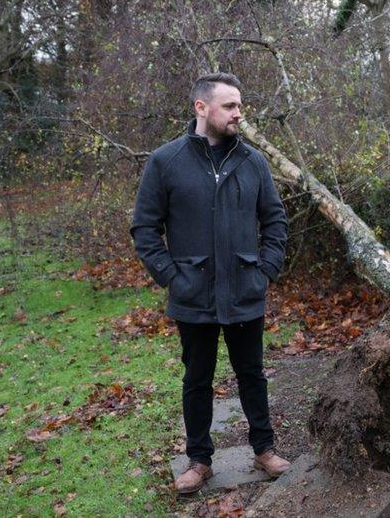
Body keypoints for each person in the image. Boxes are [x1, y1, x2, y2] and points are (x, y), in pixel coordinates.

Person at [130, 72, 291, 494]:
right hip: (193, 294)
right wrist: (172, 277)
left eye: (240, 105)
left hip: (244, 291)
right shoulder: (166, 162)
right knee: (197, 379)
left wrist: (265, 270)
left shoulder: (253, 162)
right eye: (230, 106)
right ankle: (199, 460)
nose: (239, 113)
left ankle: (263, 449)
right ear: (201, 108)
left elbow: (275, 221)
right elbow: (145, 229)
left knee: (252, 374)